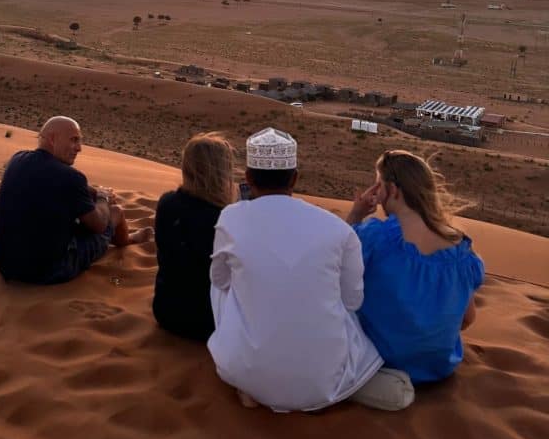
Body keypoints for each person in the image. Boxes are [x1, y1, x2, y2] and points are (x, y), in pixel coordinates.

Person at [208, 128, 414, 412]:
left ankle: (252, 381)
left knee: (219, 285)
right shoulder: (337, 229)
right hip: (322, 384)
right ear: (295, 178)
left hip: (245, 371)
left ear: (248, 178)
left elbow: (219, 280)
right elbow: (353, 301)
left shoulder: (230, 218)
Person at [347, 150, 485, 384]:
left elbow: (336, 259)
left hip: (381, 361)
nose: (377, 194)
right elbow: (467, 319)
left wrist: (355, 216)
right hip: (439, 367)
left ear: (393, 190)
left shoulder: (374, 237)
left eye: (379, 186)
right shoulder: (461, 250)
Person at [0, 116, 153, 285]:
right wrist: (103, 198)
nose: (79, 148)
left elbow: (63, 184)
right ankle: (127, 240)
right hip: (47, 271)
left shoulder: (17, 159)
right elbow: (98, 224)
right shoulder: (71, 178)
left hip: (6, 266)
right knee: (115, 213)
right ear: (53, 139)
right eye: (74, 140)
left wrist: (96, 192)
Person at [153, 133, 235, 341]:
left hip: (166, 312)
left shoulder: (166, 203)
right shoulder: (224, 218)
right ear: (222, 171)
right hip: (211, 321)